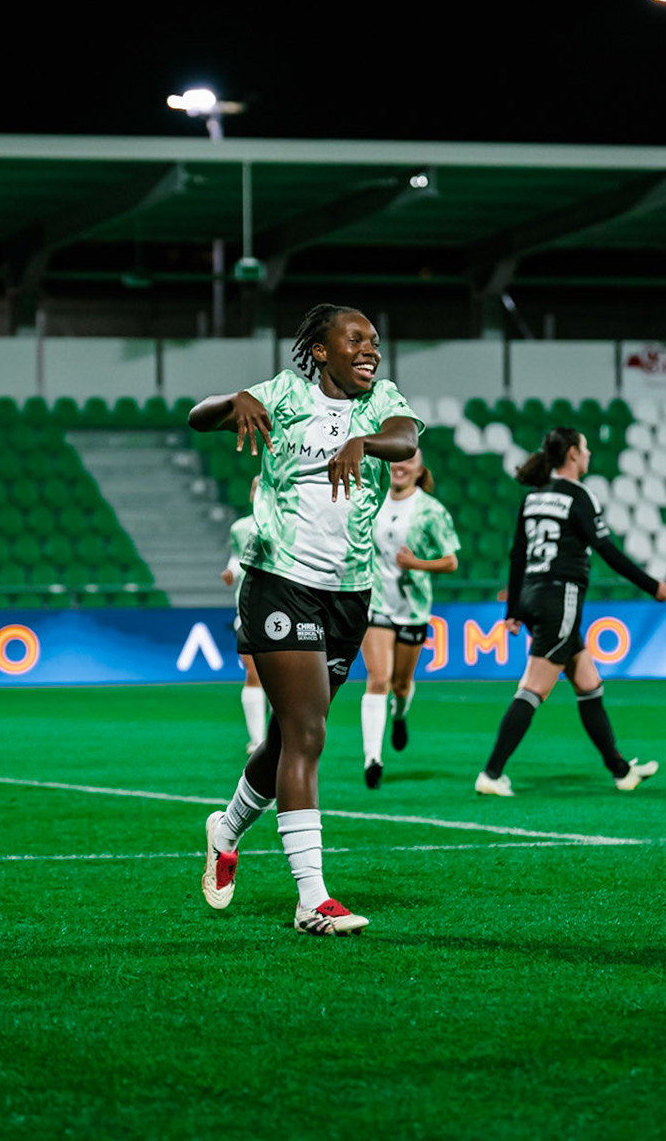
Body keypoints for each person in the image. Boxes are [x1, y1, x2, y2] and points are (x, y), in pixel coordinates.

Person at [194, 304, 420, 936]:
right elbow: (197, 416)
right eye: (356, 340)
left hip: (349, 594)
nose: (370, 349)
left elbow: (405, 439)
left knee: (294, 733)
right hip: (279, 582)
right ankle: (312, 899)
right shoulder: (284, 393)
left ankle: (228, 826)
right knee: (308, 732)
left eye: (375, 340)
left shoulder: (380, 402)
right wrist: (233, 399)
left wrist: (364, 441)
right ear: (321, 350)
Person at [477, 426, 666, 797]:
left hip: (534, 595)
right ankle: (491, 773)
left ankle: (620, 770)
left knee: (588, 683)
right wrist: (653, 586)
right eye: (585, 448)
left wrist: (514, 609)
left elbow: (517, 555)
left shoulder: (533, 498)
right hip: (559, 598)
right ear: (572, 455)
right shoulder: (579, 496)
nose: (589, 454)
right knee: (533, 688)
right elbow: (607, 551)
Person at [357, 448, 459, 788]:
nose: (400, 466)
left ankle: (399, 715)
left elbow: (450, 561)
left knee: (400, 685)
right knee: (378, 678)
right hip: (376, 603)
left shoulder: (431, 510)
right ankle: (372, 759)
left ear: (419, 470)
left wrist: (417, 564)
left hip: (413, 607)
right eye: (397, 460)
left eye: (409, 462)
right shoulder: (371, 501)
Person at [219, 477, 268, 754]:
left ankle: (277, 736)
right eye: (254, 487)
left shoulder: (288, 523)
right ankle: (257, 740)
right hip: (248, 606)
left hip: (284, 608)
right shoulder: (240, 527)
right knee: (252, 671)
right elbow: (237, 557)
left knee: (279, 678)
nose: (258, 492)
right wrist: (231, 572)